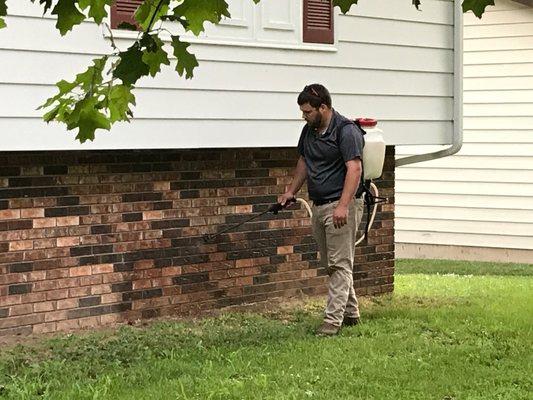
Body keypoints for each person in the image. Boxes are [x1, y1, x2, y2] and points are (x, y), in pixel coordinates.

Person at [278, 83, 365, 336]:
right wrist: (291, 191)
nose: (303, 116)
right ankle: (351, 313)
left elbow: (355, 169)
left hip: (341, 206)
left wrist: (343, 206)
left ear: (323, 107)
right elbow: (304, 161)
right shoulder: (309, 131)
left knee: (339, 264)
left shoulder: (346, 131)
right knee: (332, 263)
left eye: (307, 111)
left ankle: (331, 323)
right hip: (320, 204)